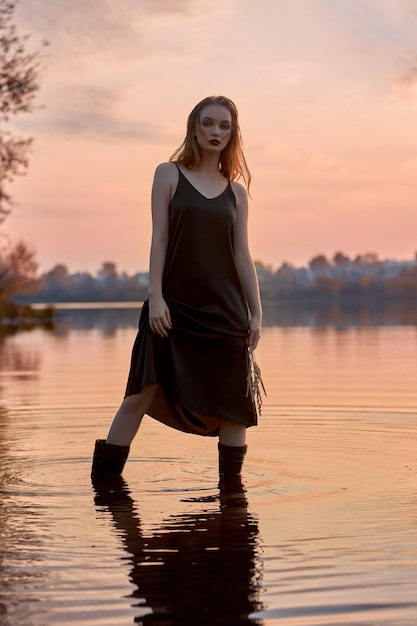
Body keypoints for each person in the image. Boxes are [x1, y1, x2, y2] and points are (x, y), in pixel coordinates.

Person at [91, 95, 263, 485]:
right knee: (140, 392)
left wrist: (257, 312)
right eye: (208, 123)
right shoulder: (168, 174)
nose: (215, 132)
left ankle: (232, 501)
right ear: (194, 127)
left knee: (233, 407)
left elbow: (242, 255)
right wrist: (156, 297)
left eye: (224, 126)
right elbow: (160, 240)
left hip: (225, 311)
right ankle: (103, 488)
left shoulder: (235, 194)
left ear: (233, 133)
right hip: (172, 306)